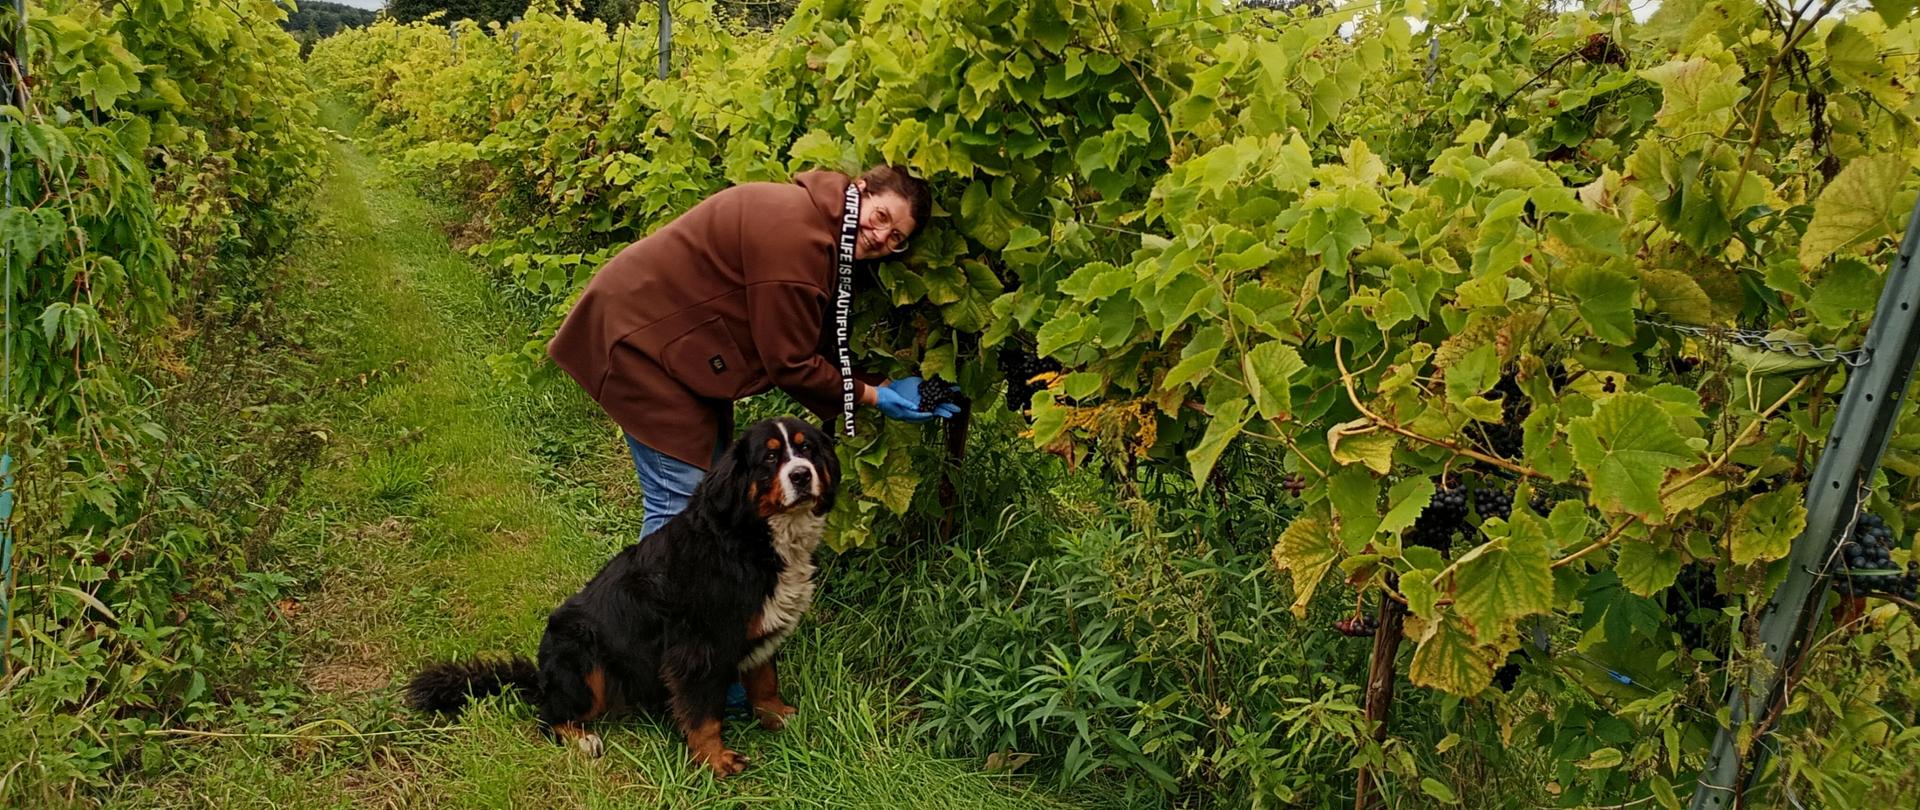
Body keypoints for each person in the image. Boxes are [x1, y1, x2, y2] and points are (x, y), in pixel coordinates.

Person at [547, 165, 959, 541]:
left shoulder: (817, 226)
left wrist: (880, 382)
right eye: (882, 217)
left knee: (702, 497)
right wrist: (872, 396)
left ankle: (674, 614)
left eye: (896, 239)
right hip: (641, 346)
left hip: (672, 349)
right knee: (679, 507)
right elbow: (791, 362)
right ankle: (650, 620)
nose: (881, 237)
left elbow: (814, 333)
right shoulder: (800, 237)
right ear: (861, 189)